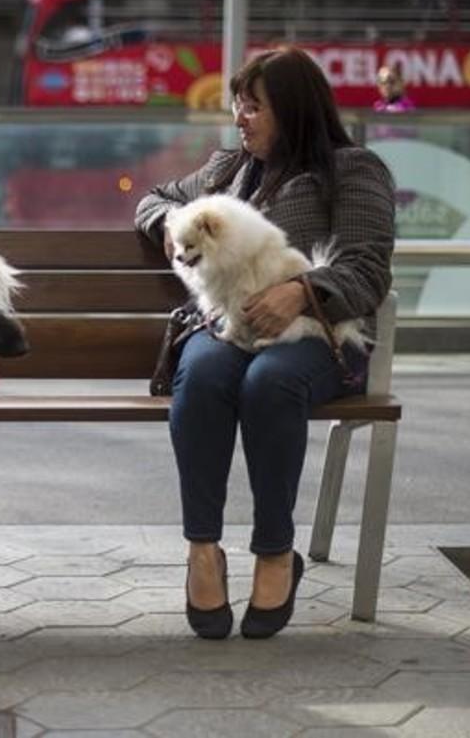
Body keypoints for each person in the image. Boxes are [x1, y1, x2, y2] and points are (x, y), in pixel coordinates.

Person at [134, 47, 395, 640]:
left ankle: (276, 551)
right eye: (238, 103)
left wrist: (304, 292)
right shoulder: (227, 170)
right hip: (230, 327)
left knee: (270, 381)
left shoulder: (353, 169)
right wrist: (175, 231)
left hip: (319, 336)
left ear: (294, 109)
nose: (239, 117)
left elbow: (368, 268)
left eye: (254, 106)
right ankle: (203, 549)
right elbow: (152, 201)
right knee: (199, 378)